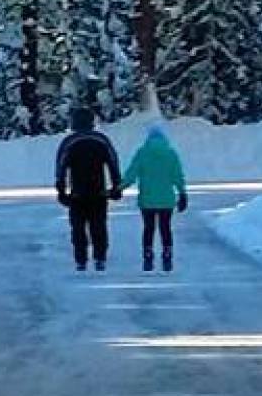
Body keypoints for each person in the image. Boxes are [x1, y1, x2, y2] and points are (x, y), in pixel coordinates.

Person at [54, 107, 122, 271]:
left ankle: (81, 259)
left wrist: (61, 189)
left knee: (78, 227)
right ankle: (100, 258)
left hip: (77, 194)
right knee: (99, 225)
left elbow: (61, 167)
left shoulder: (69, 142)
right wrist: (116, 186)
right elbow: (113, 163)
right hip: (98, 192)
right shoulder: (101, 140)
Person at [122, 124, 188, 272]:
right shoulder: (171, 154)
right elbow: (177, 175)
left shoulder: (142, 153)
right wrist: (182, 193)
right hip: (166, 199)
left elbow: (131, 174)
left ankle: (148, 255)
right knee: (165, 228)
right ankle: (167, 254)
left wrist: (119, 188)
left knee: (148, 228)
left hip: (147, 199)